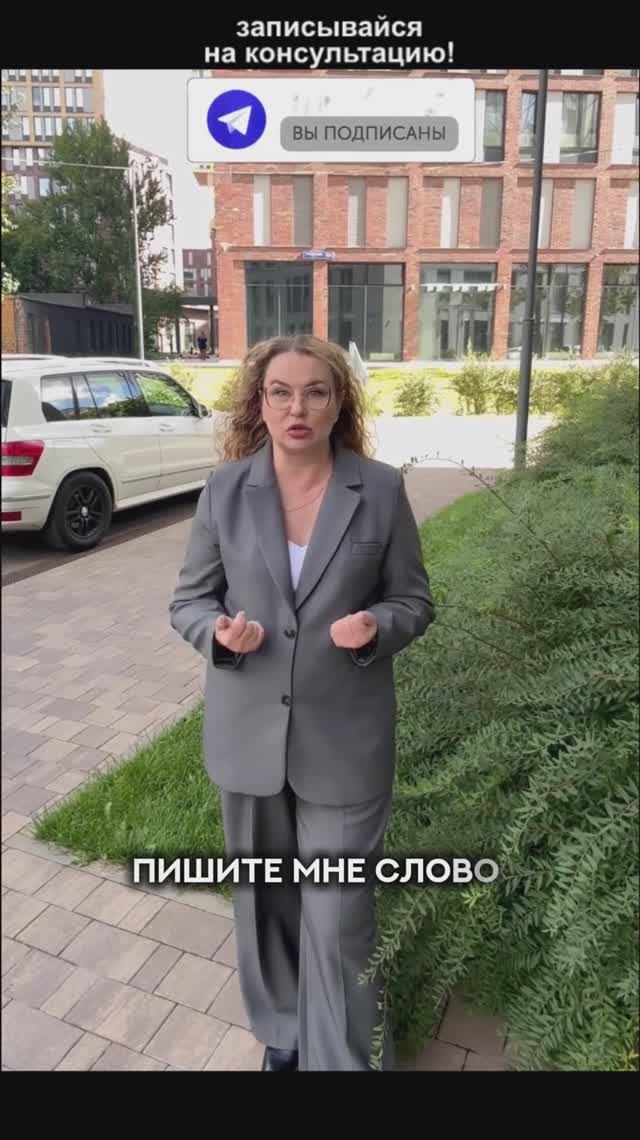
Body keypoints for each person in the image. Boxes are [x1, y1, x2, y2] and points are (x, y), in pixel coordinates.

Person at [169, 334, 435, 1071]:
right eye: (281, 392)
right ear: (259, 403)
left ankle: (342, 1062)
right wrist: (218, 636)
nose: (298, 408)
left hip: (346, 740)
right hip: (249, 736)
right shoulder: (225, 491)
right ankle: (284, 1033)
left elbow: (414, 600)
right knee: (267, 903)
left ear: (338, 402)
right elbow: (189, 601)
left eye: (316, 391)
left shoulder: (378, 489)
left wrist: (376, 626)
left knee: (339, 915)